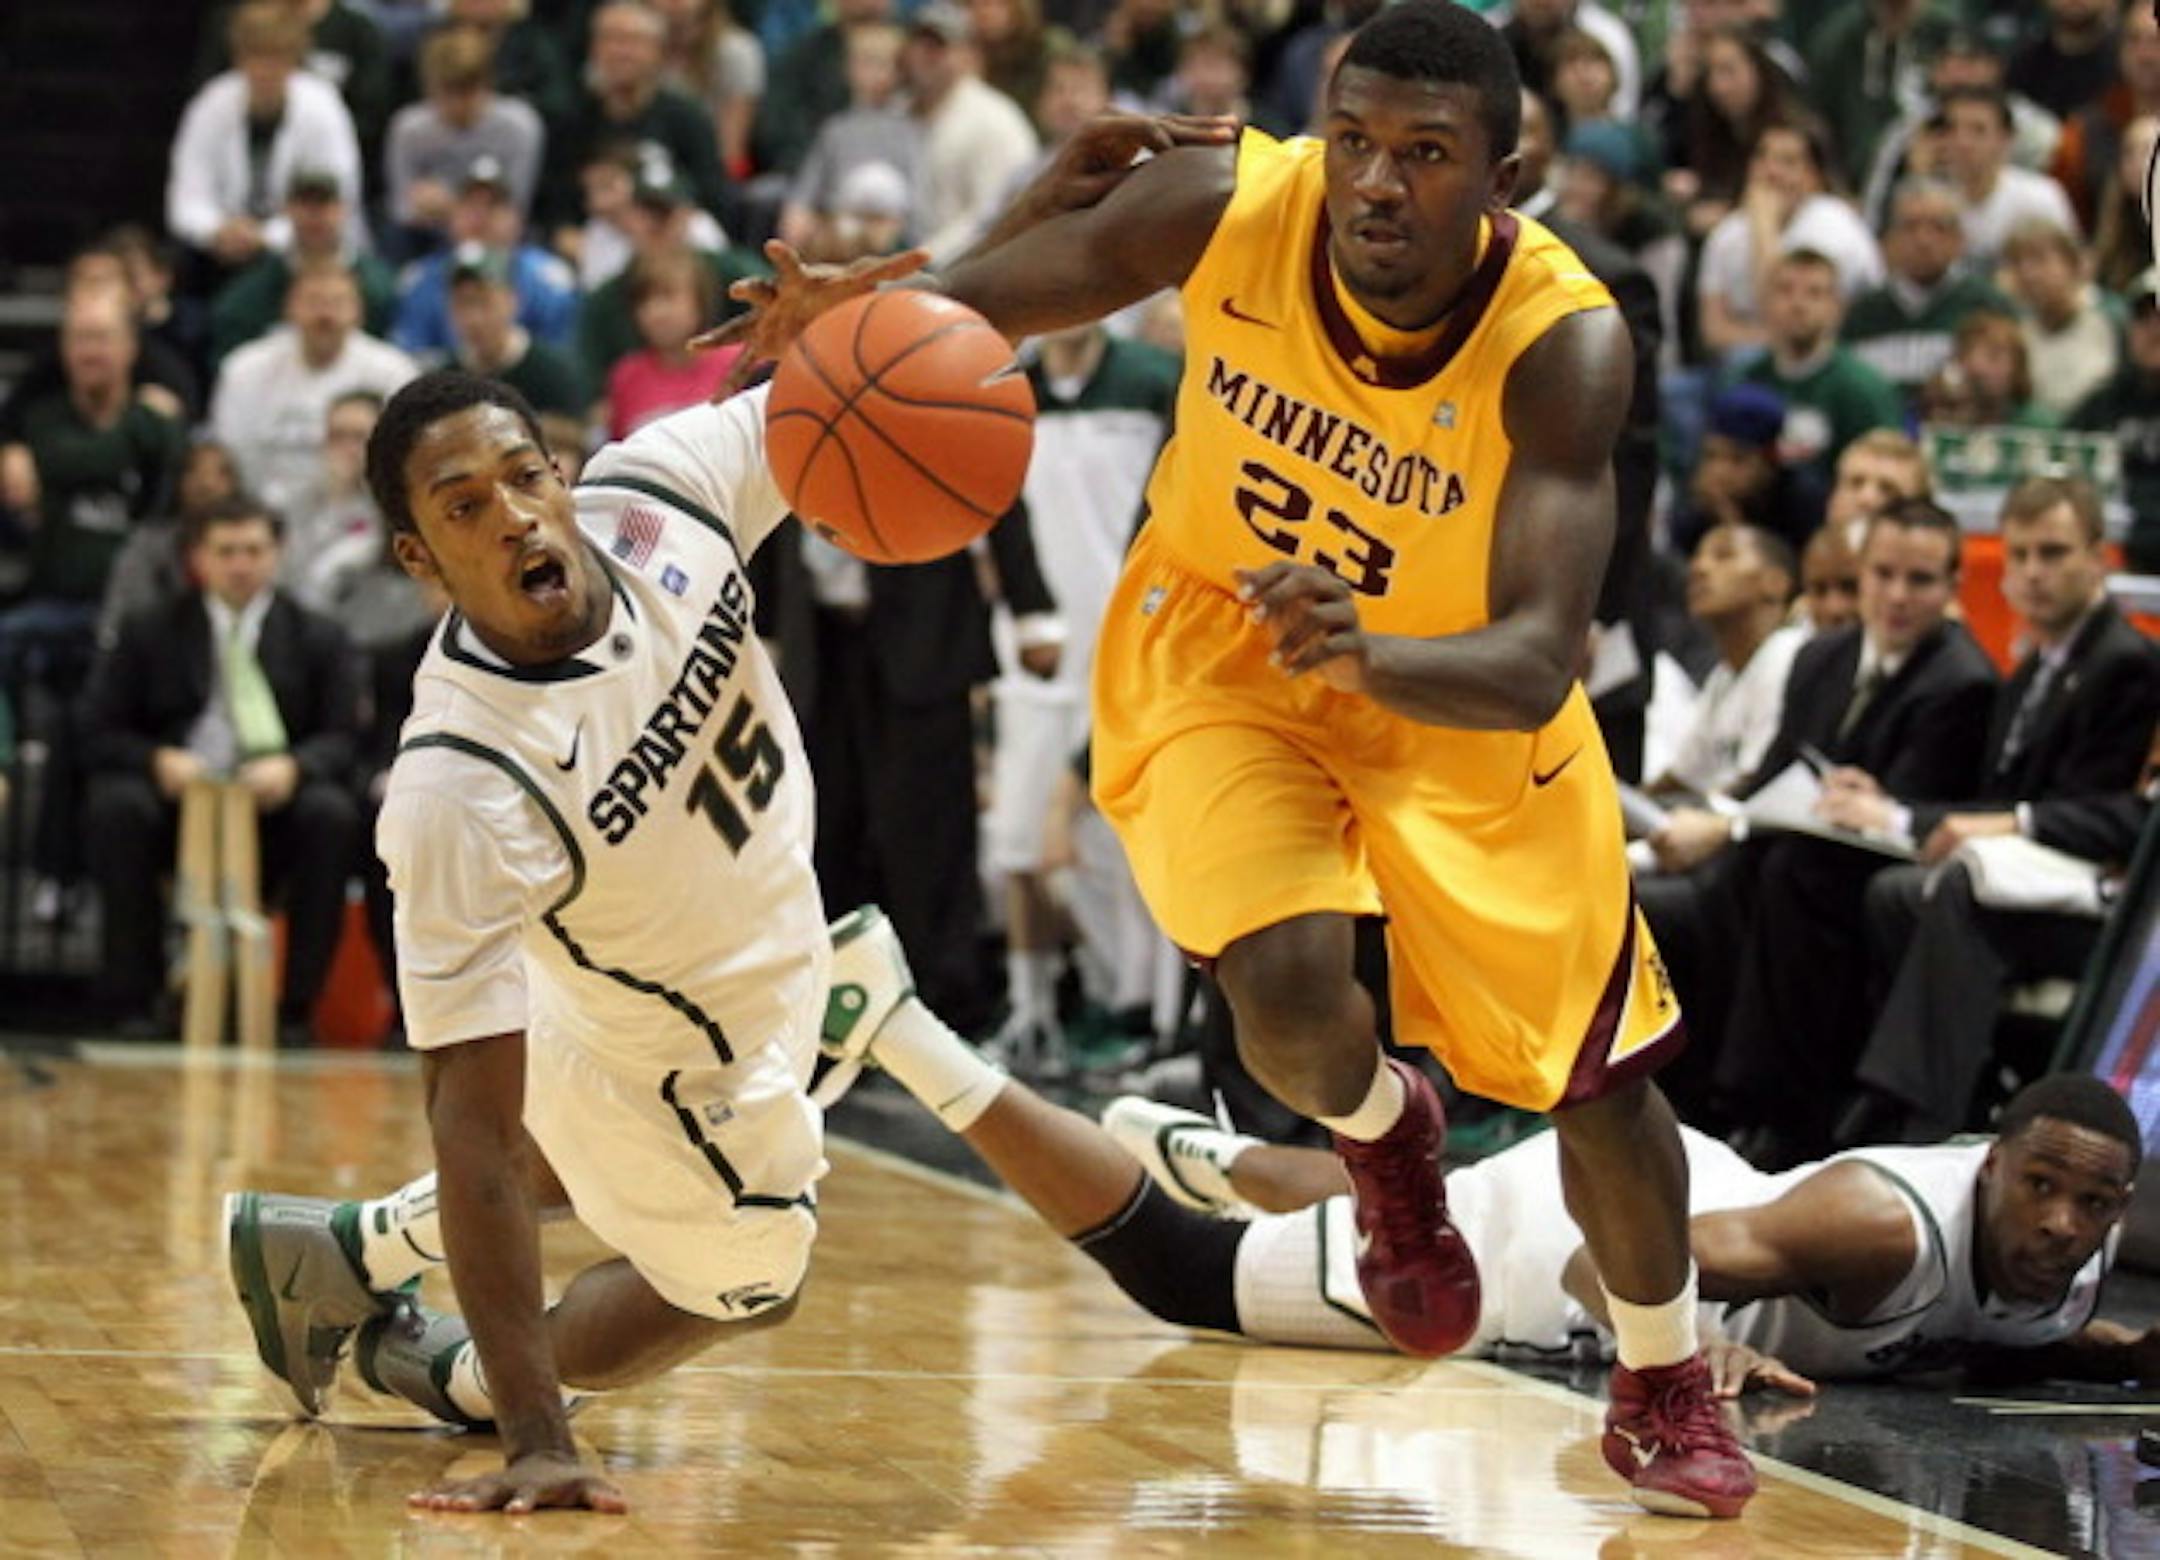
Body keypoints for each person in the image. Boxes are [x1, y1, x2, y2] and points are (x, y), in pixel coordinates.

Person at [729, 0, 1750, 1516]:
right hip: (1231, 641)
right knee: (1279, 1001)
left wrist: (1375, 654)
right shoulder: (1228, 202)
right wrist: (856, 319)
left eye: (1425, 154)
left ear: (1507, 178)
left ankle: (1662, 1377)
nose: (1376, 184)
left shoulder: (1565, 347)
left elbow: (1542, 654)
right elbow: (980, 311)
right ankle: (1382, 1141)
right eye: (1352, 142)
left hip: (1461, 694)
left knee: (1591, 1077)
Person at [217, 304, 920, 1509]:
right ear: (418, 558)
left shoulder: (665, 495)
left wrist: (893, 310)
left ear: (565, 471)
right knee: (755, 1270)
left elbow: (919, 357)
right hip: (652, 1056)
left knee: (613, 1139)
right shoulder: (458, 786)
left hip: (692, 971)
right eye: (462, 507)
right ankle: (463, 1379)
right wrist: (536, 1436)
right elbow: (472, 1129)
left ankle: (346, 1252)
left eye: (524, 477)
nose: (513, 516)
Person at [819, 978, 2159, 1391]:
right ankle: (897, 1027)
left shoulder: (2081, 1245)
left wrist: (2113, 1345)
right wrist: (1690, 1351)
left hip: (1688, 1194)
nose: (2060, 1225)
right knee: (1185, 1281)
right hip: (1595, 1246)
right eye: (2039, 1189)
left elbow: (2022, 1313)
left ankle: (1227, 1156)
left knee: (1425, 1200)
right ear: (1988, 1164)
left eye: (2088, 1207)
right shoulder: (1874, 1227)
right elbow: (1604, 1265)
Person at [81, 495, 363, 1039]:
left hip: (273, 811)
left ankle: (295, 1007)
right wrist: (156, 759)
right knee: (116, 807)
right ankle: (134, 1001)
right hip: (176, 805)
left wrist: (296, 767)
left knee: (331, 813)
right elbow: (97, 728)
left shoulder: (319, 635)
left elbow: (345, 738)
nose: (240, 564)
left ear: (277, 554)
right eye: (226, 551)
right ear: (199, 558)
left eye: (253, 550)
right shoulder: (149, 629)